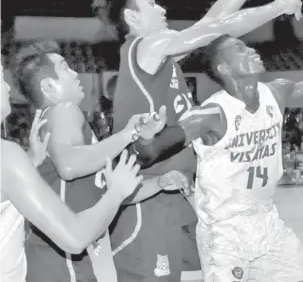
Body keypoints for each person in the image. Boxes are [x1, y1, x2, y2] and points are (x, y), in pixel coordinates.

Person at [130, 6, 303, 281]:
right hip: (225, 232)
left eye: (248, 47)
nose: (251, 50)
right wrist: (145, 137)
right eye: (239, 49)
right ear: (223, 68)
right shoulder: (212, 115)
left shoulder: (276, 93)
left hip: (268, 221)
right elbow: (150, 151)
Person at [92, 0, 302, 282]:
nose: (161, 8)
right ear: (132, 19)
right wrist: (278, 7)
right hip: (145, 200)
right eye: (151, 4)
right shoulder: (145, 47)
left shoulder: (162, 57)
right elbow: (216, 29)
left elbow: (213, 20)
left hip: (172, 192)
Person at [12, 42, 188, 282]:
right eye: (65, 68)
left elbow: (110, 190)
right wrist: (127, 133)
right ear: (49, 87)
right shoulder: (63, 109)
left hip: (72, 258)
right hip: (62, 263)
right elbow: (69, 166)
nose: (75, 73)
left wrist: (159, 182)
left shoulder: (67, 125)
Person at [0, 63, 144, 282]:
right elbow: (74, 237)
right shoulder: (8, 155)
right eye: (1, 78)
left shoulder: (13, 159)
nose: (8, 88)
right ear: (48, 86)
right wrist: (117, 192)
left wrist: (30, 162)